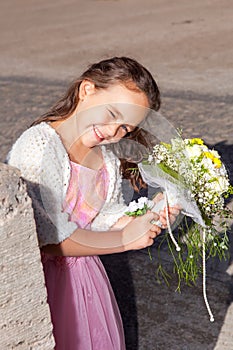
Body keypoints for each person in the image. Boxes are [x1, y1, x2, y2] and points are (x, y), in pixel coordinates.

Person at [6, 57, 179, 350]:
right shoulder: (38, 146)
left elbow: (102, 215)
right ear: (87, 89)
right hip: (40, 281)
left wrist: (149, 214)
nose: (113, 132)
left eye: (125, 127)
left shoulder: (106, 158)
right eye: (111, 113)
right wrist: (125, 240)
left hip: (86, 279)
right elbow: (45, 239)